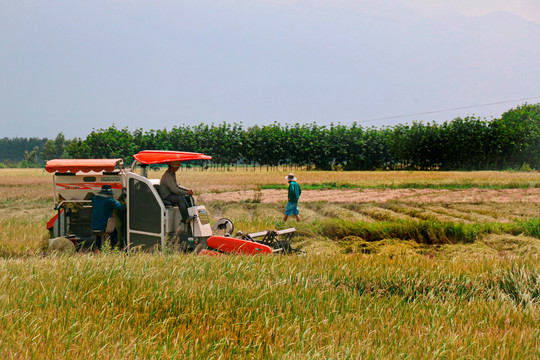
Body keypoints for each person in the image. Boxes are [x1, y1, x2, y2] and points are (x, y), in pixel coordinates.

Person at [91, 184, 125, 250]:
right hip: (104, 226)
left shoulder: (95, 199)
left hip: (94, 225)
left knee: (98, 235)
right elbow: (121, 207)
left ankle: (98, 249)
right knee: (114, 232)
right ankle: (113, 248)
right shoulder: (110, 200)